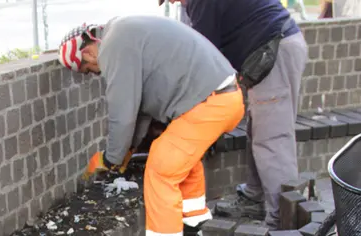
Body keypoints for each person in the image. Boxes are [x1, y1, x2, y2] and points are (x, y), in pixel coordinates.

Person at [58, 16, 245, 235]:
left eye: (88, 69)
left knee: (161, 170)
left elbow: (123, 111)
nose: (95, 73)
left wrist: (110, 159)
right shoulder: (123, 32)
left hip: (209, 103)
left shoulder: (113, 47)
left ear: (87, 53)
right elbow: (141, 110)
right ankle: (195, 222)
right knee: (182, 158)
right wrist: (129, 149)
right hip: (224, 98)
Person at [162, 0, 308, 230]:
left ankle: (284, 221)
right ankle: (255, 197)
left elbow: (202, 57)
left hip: (274, 50)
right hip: (271, 49)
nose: (172, 2)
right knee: (260, 129)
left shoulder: (201, 3)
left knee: (272, 139)